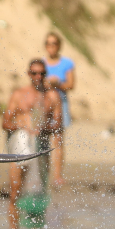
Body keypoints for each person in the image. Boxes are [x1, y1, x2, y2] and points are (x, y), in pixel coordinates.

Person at [3, 59, 62, 229]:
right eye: (34, 73)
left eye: (42, 74)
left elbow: (58, 125)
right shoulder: (19, 94)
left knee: (39, 191)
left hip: (41, 144)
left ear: (45, 74)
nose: (38, 77)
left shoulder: (52, 96)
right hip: (20, 143)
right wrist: (19, 125)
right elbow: (5, 122)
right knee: (15, 190)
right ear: (28, 74)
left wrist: (44, 127)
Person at [43, 32, 75, 189]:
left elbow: (71, 85)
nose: (51, 46)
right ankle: (43, 174)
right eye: (48, 43)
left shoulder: (67, 63)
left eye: (54, 43)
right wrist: (46, 84)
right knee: (42, 140)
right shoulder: (41, 64)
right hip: (43, 103)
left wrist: (57, 84)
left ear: (59, 45)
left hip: (60, 103)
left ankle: (57, 176)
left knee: (58, 140)